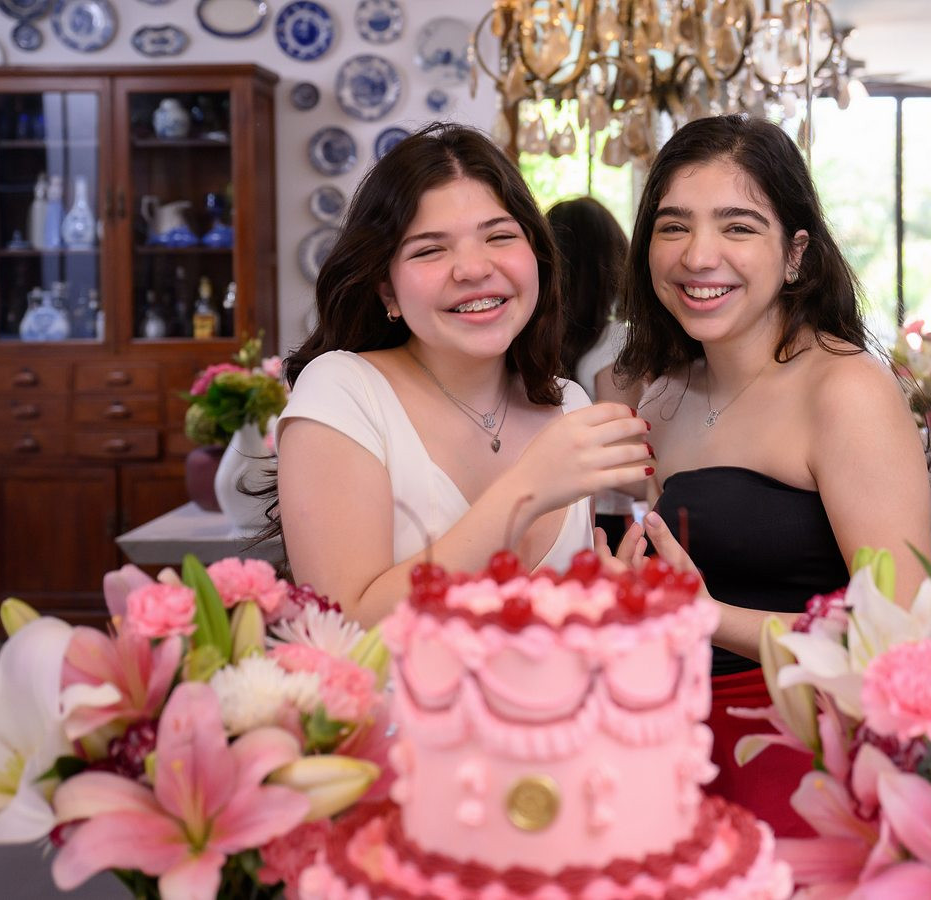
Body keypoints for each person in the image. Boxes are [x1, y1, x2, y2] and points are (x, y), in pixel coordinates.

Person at [612, 115, 931, 834]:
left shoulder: (845, 389)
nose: (699, 255)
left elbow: (902, 638)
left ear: (794, 255)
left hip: (807, 753)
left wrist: (710, 618)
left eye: (738, 227)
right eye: (673, 227)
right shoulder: (662, 396)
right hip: (676, 744)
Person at [274, 123, 654, 628]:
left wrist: (602, 605)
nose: (473, 269)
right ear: (387, 291)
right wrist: (527, 490)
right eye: (430, 250)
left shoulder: (569, 406)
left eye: (499, 236)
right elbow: (344, 631)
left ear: (537, 259)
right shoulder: (344, 391)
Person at [546, 197, 644, 549]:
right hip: (603, 519)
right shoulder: (616, 341)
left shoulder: (537, 341)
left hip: (549, 511)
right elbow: (620, 457)